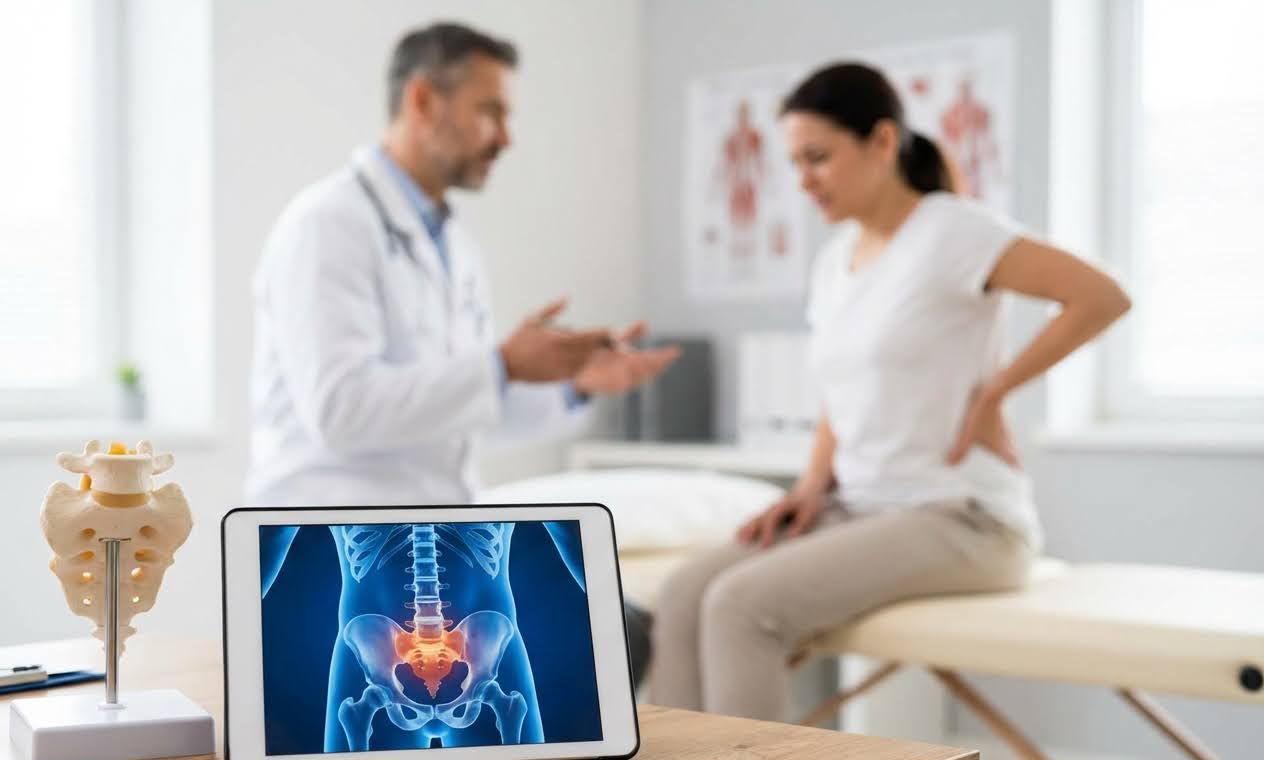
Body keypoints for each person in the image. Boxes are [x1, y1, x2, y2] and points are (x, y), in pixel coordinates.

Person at [651, 63, 1131, 722]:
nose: (804, 180)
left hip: (964, 518)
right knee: (681, 595)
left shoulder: (951, 230)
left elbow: (1101, 296)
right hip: (861, 505)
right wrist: (810, 487)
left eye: (819, 157)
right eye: (795, 163)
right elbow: (839, 394)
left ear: (881, 142)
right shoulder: (835, 260)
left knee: (741, 606)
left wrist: (994, 393)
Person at [245, 22, 675, 686]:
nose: (506, 136)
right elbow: (341, 410)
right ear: (422, 101)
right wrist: (502, 365)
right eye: (490, 111)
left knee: (626, 627)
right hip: (329, 542)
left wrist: (571, 383)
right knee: (601, 641)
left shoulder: (457, 249)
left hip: (434, 537)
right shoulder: (328, 225)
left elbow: (462, 410)